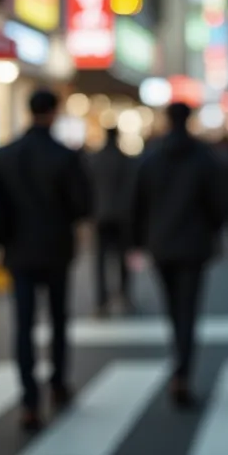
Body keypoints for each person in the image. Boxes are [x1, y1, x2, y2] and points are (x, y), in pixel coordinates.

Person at [0, 89, 92, 431]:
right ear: (54, 112)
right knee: (58, 319)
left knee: (24, 325)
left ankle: (29, 400)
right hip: (56, 249)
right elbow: (82, 205)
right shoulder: (64, 155)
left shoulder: (6, 154)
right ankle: (58, 383)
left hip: (18, 249)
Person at [130, 102, 225, 408]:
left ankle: (179, 364)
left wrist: (136, 241)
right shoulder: (203, 157)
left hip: (161, 244)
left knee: (173, 307)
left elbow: (137, 203)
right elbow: (217, 203)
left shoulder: (151, 158)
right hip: (194, 243)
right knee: (188, 310)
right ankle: (182, 373)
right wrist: (213, 228)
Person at [88, 127, 134, 315]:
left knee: (100, 260)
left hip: (100, 216)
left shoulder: (95, 160)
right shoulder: (125, 160)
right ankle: (124, 295)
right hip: (122, 216)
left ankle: (102, 300)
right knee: (122, 259)